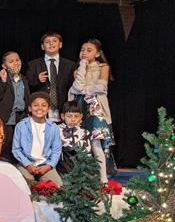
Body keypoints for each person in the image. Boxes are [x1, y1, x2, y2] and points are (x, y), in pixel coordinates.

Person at [68, 38, 115, 183]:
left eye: (89, 50)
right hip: (80, 107)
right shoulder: (78, 69)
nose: (84, 53)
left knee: (96, 142)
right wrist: (82, 65)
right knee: (82, 141)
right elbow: (77, 87)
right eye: (82, 50)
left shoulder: (103, 66)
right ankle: (84, 175)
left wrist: (85, 90)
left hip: (96, 108)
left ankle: (103, 177)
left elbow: (101, 87)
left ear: (97, 53)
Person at [12, 92, 63, 186]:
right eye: (36, 105)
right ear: (30, 108)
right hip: (26, 164)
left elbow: (56, 150)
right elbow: (16, 149)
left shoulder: (53, 127)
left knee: (58, 187)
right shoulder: (21, 126)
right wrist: (28, 165)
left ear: (48, 109)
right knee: (25, 186)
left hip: (45, 164)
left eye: (43, 105)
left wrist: (48, 166)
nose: (40, 108)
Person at [26, 31, 76, 122]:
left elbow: (72, 86)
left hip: (63, 110)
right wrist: (37, 80)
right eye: (47, 42)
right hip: (42, 111)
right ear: (42, 46)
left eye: (54, 41)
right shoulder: (33, 64)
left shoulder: (70, 65)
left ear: (60, 44)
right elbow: (27, 85)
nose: (51, 43)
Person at [0, 51, 30, 163]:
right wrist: (3, 81)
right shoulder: (0, 78)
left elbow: (26, 97)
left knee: (19, 143)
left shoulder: (24, 79)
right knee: (6, 142)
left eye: (17, 60)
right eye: (11, 61)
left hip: (21, 117)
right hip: (6, 117)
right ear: (4, 66)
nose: (15, 63)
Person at [56, 101, 91, 174]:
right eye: (69, 116)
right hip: (63, 164)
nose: (73, 119)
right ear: (62, 116)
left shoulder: (85, 132)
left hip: (80, 163)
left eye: (76, 116)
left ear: (81, 116)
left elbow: (87, 151)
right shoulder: (57, 130)